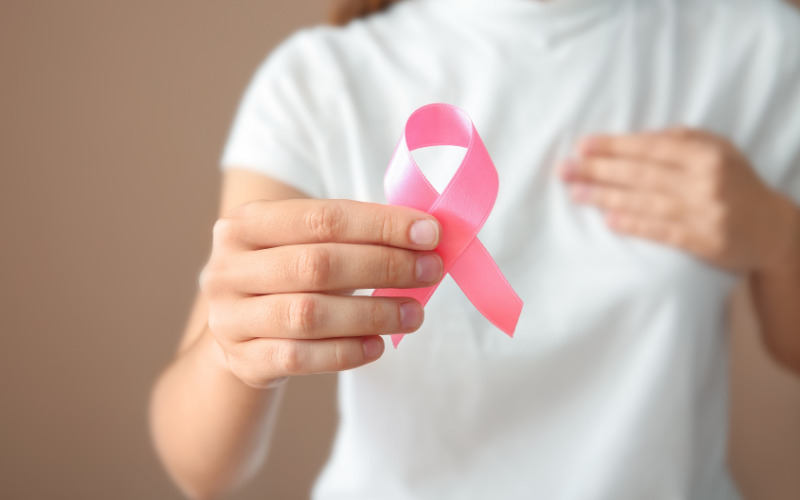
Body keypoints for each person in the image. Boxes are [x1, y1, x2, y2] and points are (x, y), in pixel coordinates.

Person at [149, 0, 800, 498]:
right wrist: (236, 348)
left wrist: (779, 236)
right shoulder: (318, 81)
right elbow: (199, 466)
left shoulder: (758, 47)